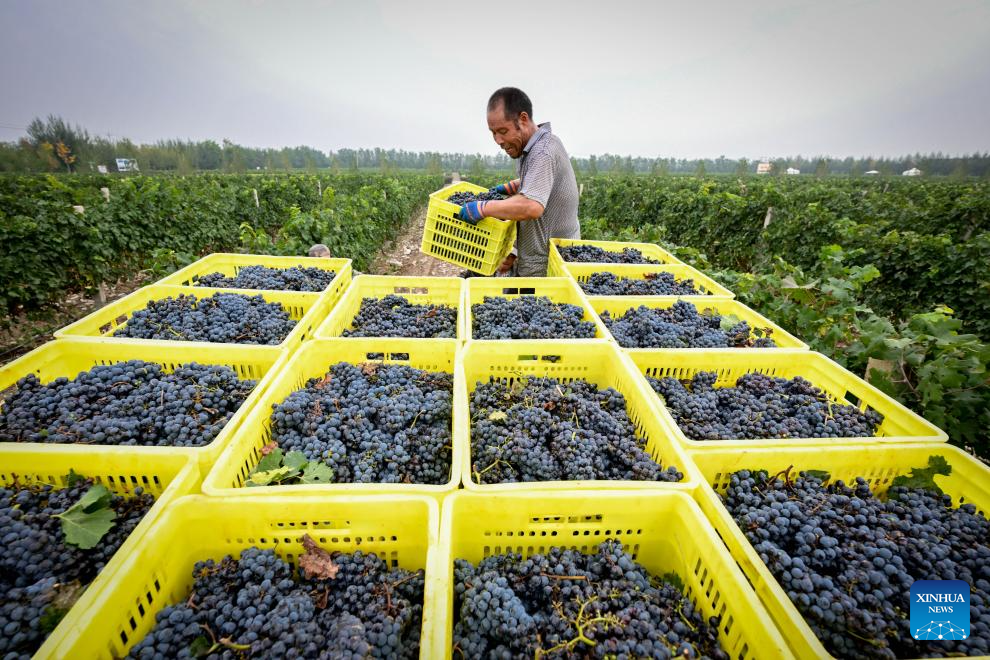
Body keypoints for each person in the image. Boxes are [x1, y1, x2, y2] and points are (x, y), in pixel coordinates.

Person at [456, 87, 580, 276]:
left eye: (503, 131)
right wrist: (514, 251)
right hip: (536, 260)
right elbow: (542, 184)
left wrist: (483, 208)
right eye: (493, 133)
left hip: (549, 270)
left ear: (523, 119)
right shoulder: (532, 149)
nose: (498, 140)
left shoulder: (543, 152)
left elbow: (532, 206)